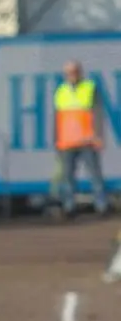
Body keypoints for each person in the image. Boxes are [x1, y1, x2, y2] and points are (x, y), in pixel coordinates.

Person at [53, 60, 108, 218]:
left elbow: (98, 113)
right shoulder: (61, 91)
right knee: (68, 177)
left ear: (80, 72)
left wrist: (98, 135)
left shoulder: (89, 88)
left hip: (87, 140)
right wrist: (56, 139)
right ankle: (69, 207)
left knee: (95, 175)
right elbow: (57, 118)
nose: (72, 75)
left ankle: (101, 205)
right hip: (67, 142)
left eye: (74, 71)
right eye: (69, 72)